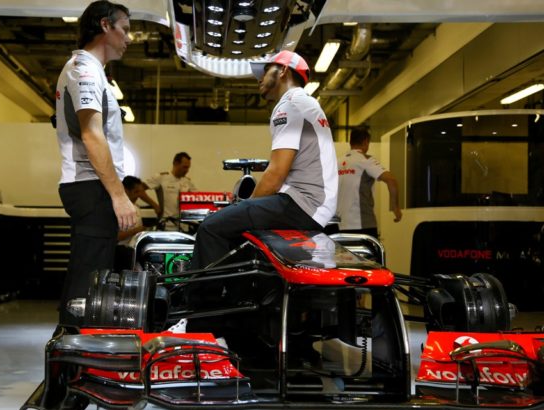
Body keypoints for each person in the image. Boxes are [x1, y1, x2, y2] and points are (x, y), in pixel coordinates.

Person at [191, 51, 338, 269]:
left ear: (283, 71)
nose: (259, 78)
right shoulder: (305, 103)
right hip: (313, 204)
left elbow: (275, 175)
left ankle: (203, 300)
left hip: (303, 203)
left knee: (211, 227)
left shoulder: (290, 104)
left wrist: (243, 205)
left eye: (265, 71)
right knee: (238, 232)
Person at [55, 1, 137, 326]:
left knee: (91, 282)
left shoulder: (94, 73)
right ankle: (71, 369)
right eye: (126, 30)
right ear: (106, 26)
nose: (129, 39)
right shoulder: (84, 70)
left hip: (92, 187)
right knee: (85, 287)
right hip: (91, 188)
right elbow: (91, 136)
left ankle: (74, 362)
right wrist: (119, 196)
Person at [336, 127, 402, 239]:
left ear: (350, 142)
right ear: (366, 141)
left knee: (343, 257)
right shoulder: (365, 160)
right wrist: (395, 207)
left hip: (338, 226)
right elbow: (391, 179)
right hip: (362, 225)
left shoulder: (337, 162)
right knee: (368, 257)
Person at [145, 152, 196, 230]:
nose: (187, 170)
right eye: (184, 167)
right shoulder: (162, 177)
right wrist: (154, 205)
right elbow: (139, 189)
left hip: (183, 226)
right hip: (166, 225)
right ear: (176, 163)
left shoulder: (187, 181)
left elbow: (198, 198)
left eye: (188, 168)